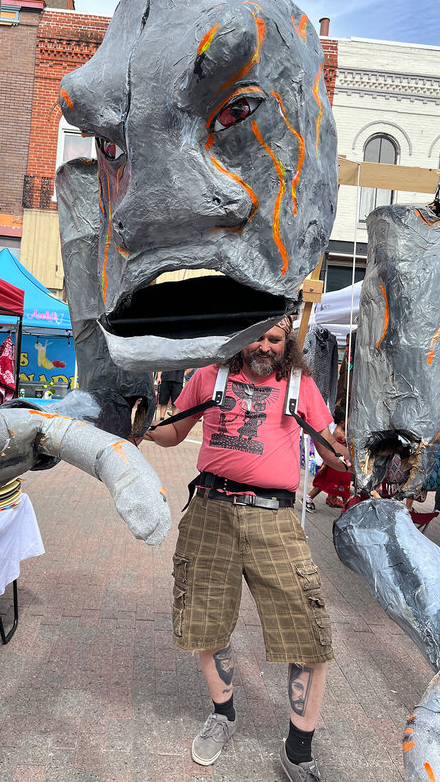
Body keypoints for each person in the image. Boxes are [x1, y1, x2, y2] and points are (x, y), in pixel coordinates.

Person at [147, 317, 351, 781]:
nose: (264, 345)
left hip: (275, 518)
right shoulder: (208, 376)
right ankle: (223, 715)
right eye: (256, 336)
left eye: (274, 338)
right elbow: (174, 432)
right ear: (240, 338)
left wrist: (352, 449)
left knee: (307, 630)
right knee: (206, 622)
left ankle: (298, 751)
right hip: (210, 511)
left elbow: (333, 455)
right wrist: (139, 426)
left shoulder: (302, 387)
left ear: (287, 344)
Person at [304, 406, 351, 512]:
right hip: (337, 464)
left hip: (337, 464)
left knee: (327, 483)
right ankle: (348, 508)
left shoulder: (341, 431)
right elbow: (335, 448)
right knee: (331, 483)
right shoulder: (339, 433)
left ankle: (346, 506)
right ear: (343, 421)